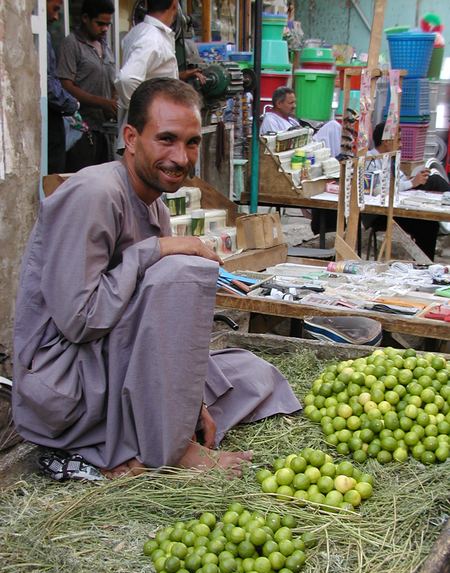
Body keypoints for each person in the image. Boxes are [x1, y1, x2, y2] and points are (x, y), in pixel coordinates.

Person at [12, 78, 300, 480]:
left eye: (192, 142)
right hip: (68, 380)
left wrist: (190, 403)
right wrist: (155, 250)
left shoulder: (155, 206)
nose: (180, 157)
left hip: (119, 361)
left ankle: (161, 429)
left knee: (252, 375)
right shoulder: (95, 193)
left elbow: (158, 331)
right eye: (166, 139)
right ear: (131, 138)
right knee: (184, 272)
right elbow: (80, 320)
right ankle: (171, 448)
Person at [115, 0, 202, 153]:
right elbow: (127, 79)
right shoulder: (152, 38)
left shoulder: (140, 31)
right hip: (149, 137)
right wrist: (146, 113)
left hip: (147, 134)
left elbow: (153, 76)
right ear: (175, 5)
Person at [363, 122, 450, 260]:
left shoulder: (391, 159)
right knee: (433, 184)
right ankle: (424, 264)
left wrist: (415, 179)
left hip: (397, 204)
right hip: (380, 213)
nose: (401, 144)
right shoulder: (370, 160)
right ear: (386, 141)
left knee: (431, 182)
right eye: (399, 140)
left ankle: (425, 264)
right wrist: (412, 182)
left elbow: (401, 180)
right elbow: (377, 190)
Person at [57, 0, 117, 171]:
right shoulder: (72, 44)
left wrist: (113, 101)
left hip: (104, 131)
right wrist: (101, 102)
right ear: (85, 18)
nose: (104, 29)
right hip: (80, 131)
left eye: (108, 24)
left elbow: (113, 80)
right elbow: (65, 85)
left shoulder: (105, 46)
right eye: (100, 24)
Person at [46, 0, 79, 174]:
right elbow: (48, 85)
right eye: (55, 9)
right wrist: (72, 104)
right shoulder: (42, 37)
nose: (56, 17)